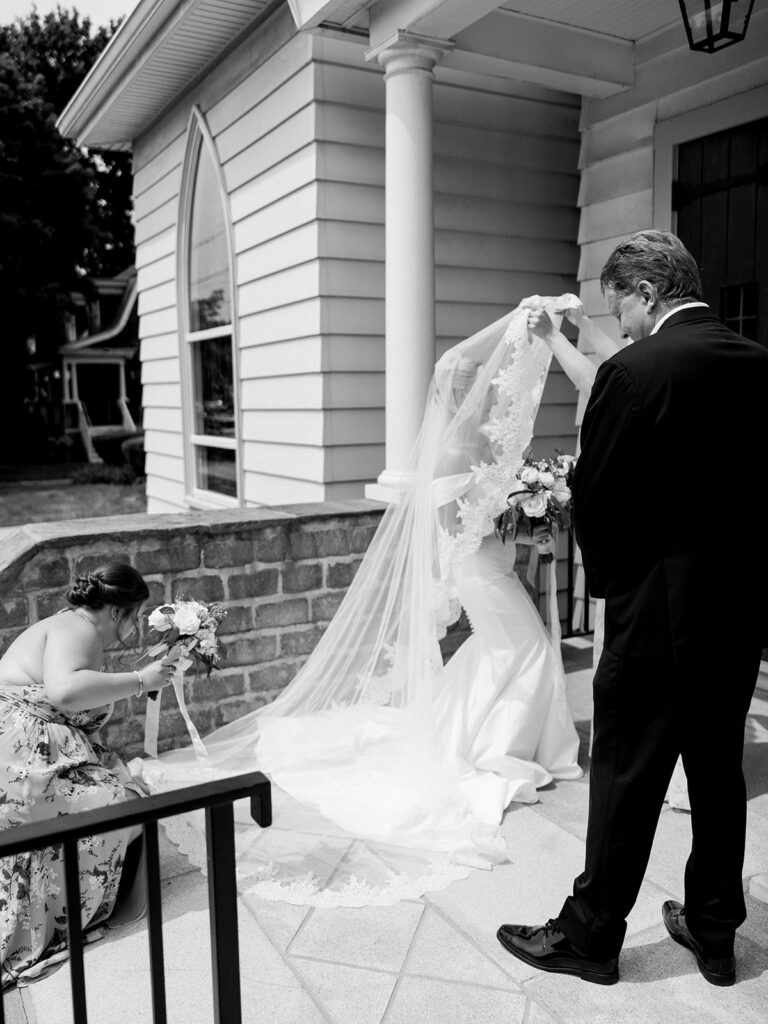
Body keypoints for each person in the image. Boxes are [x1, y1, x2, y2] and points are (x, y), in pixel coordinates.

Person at [137, 297, 583, 907]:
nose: (482, 394)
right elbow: (457, 522)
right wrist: (514, 507)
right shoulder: (452, 451)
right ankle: (496, 752)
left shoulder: (477, 447)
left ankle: (492, 742)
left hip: (494, 564)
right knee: (524, 648)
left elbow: (486, 514)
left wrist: (527, 513)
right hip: (481, 571)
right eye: (474, 388)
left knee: (512, 650)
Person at [496, 230, 768, 986]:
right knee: (718, 778)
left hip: (655, 619)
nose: (621, 327)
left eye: (621, 311)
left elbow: (599, 497)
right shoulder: (759, 364)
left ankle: (591, 936)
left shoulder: (636, 370)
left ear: (648, 293)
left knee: (625, 779)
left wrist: (618, 589)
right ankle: (715, 934)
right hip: (736, 617)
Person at [0, 563, 174, 989]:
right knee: (124, 807)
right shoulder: (79, 629)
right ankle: (76, 906)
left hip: (23, 752)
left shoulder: (68, 627)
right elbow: (63, 691)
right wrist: (139, 680)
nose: (133, 631)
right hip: (22, 762)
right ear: (117, 611)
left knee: (126, 787)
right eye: (135, 617)